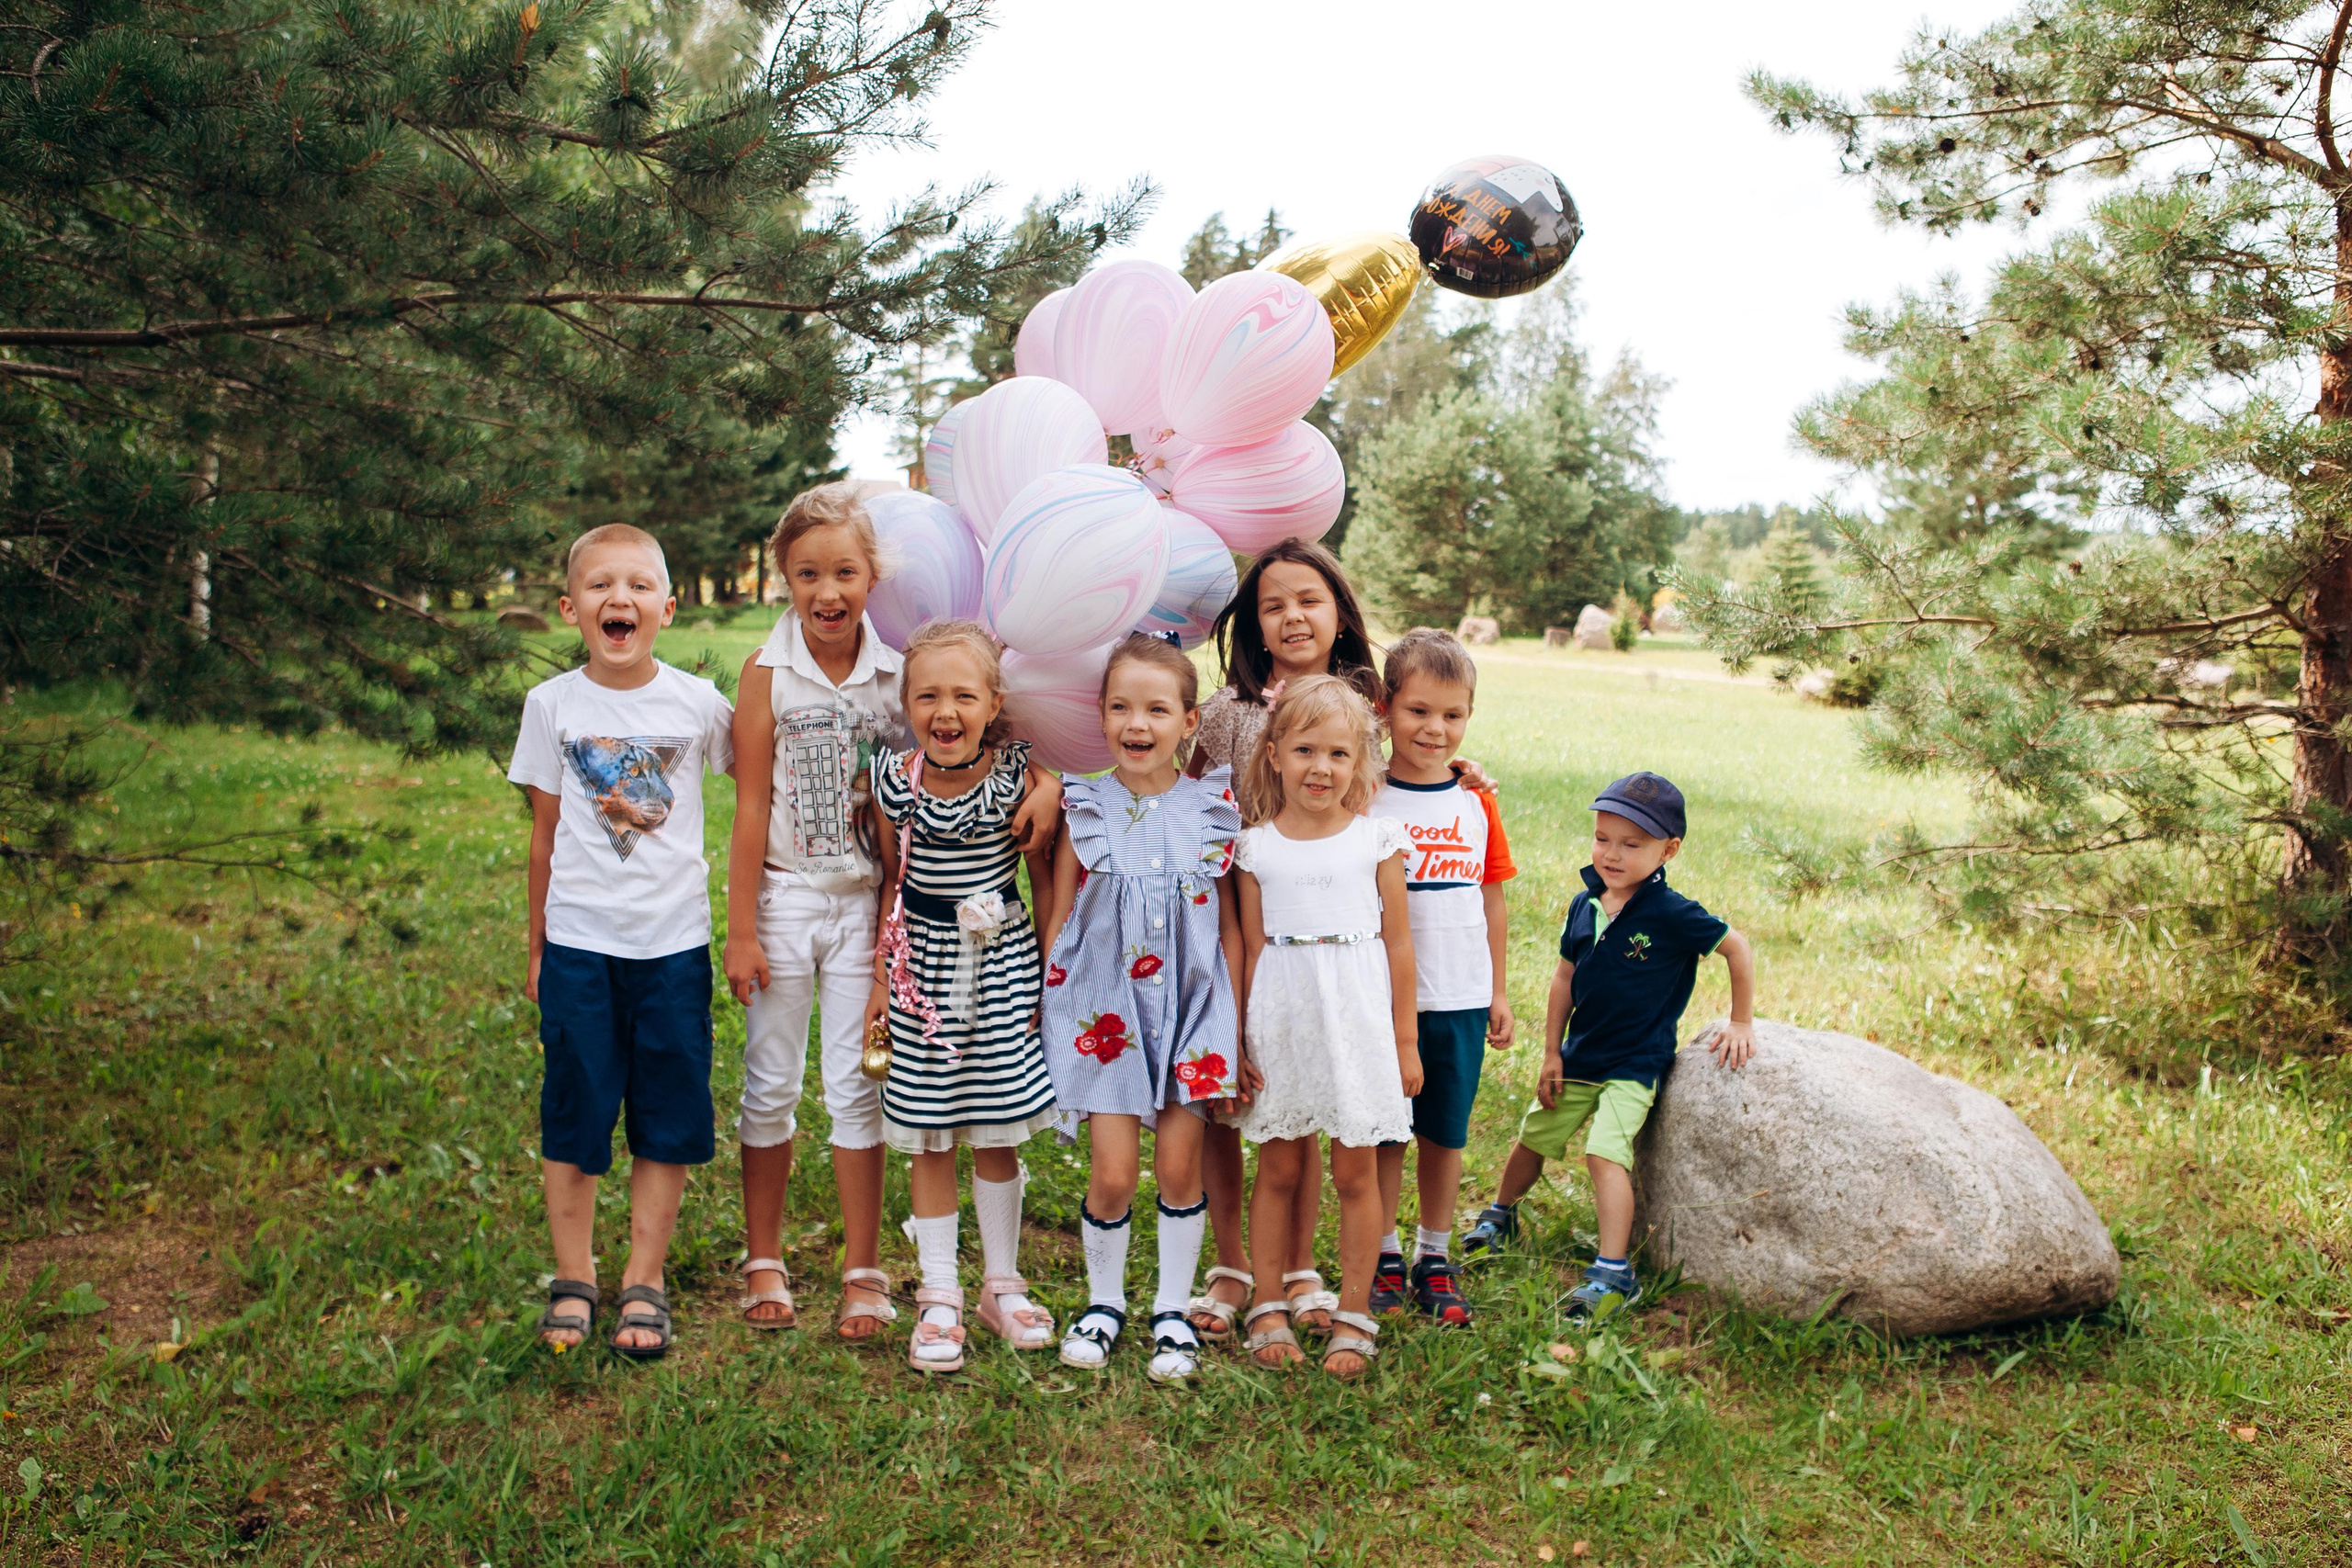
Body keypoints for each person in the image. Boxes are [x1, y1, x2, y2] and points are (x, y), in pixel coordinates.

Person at [509, 524, 735, 1359]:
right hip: (579, 946)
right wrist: (536, 946)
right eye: (600, 585)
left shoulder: (698, 706)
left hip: (673, 948)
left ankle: (645, 1276)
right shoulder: (553, 706)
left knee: (665, 1113)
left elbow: (761, 775)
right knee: (575, 1107)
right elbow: (543, 837)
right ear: (572, 609)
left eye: (639, 585)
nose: (620, 599)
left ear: (667, 608)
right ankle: (576, 1275)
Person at [1182, 537, 1386, 1342]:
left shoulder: (1365, 708)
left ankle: (1298, 1266)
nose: (1293, 615)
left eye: (1309, 598)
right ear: (1252, 624)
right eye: (1273, 605)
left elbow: (1395, 782)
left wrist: (1465, 776)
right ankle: (1237, 1264)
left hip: (1329, 943)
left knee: (1305, 1103)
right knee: (1234, 1103)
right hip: (1236, 922)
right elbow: (1185, 786)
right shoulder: (1231, 713)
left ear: (1338, 611)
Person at [1461, 772, 1757, 1320]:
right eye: (1603, 838)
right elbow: (1563, 980)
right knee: (1534, 1134)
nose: (1612, 854)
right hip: (1581, 1055)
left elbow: (1736, 948)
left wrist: (1741, 1022)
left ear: (1668, 850)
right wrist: (1552, 1053)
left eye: (1632, 844)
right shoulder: (1585, 903)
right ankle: (1500, 1215)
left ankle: (1614, 1270)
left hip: (1635, 1063)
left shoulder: (1672, 914)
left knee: (1604, 1151)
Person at [1035, 633, 1244, 1383]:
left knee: (1180, 1168)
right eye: (1121, 706)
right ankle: (1103, 1302)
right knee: (1117, 1174)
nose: (1138, 722)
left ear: (1188, 721)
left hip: (1195, 1006)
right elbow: (1060, 915)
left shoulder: (1213, 808)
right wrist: (1045, 1002)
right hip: (1105, 1013)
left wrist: (1235, 1022)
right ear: (1100, 715)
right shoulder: (1084, 803)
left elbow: (1227, 928)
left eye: (1157, 708)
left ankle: (1170, 1308)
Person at [863, 620, 1061, 1374]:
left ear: (994, 702)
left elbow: (1043, 878)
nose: (946, 711)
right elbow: (893, 881)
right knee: (930, 1125)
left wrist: (1049, 968)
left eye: (964, 695)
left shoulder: (1019, 777)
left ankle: (1000, 1283)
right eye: (928, 696)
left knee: (998, 1125)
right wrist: (883, 977)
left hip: (1003, 961)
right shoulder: (893, 782)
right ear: (907, 702)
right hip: (921, 972)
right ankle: (940, 1290)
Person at [1228, 675, 1419, 1379]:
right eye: (1306, 749)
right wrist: (1242, 1043)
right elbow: (1249, 949)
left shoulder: (1377, 840)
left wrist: (1405, 1039)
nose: (1322, 768)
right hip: (1282, 1015)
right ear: (1274, 753)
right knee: (1279, 1166)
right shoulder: (1254, 850)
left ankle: (1354, 1308)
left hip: (1359, 1017)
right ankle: (1270, 1300)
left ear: (1361, 763)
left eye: (1340, 754)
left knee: (1355, 1169)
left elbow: (1399, 944)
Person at [1368, 629, 1515, 1327]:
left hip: (1458, 994)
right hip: (1383, 997)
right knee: (1387, 1130)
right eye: (1419, 710)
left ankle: (1434, 1252)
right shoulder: (1366, 798)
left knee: (1445, 1132)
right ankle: (1384, 1251)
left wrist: (1499, 990)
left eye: (1453, 715)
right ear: (1385, 707)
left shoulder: (1476, 801)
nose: (1435, 728)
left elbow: (1491, 896)